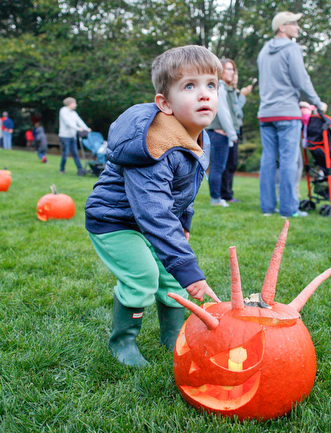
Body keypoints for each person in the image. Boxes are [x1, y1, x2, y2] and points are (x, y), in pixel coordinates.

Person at [84, 45, 221, 367]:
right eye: (190, 86)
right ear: (165, 103)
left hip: (151, 219)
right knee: (144, 276)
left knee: (171, 278)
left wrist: (184, 223)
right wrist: (190, 269)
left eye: (211, 85)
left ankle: (173, 337)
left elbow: (184, 189)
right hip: (115, 221)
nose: (204, 95)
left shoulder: (202, 138)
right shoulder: (154, 147)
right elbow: (153, 210)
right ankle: (123, 342)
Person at [257, 11, 327, 218]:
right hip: (287, 113)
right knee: (289, 160)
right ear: (282, 27)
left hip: (266, 113)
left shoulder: (263, 51)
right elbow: (301, 80)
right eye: (293, 23)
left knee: (268, 159)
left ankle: (267, 208)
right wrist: (317, 102)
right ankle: (288, 209)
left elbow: (275, 83)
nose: (297, 27)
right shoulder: (292, 48)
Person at [205, 58, 239, 207]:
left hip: (217, 133)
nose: (233, 72)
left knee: (217, 166)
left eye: (233, 69)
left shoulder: (222, 88)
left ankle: (217, 198)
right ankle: (216, 199)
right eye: (229, 69)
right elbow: (224, 113)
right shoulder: (221, 88)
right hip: (220, 133)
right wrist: (232, 134)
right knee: (218, 167)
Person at [220, 70, 253, 204]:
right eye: (230, 71)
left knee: (231, 163)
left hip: (233, 130)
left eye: (236, 73)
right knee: (226, 164)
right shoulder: (224, 90)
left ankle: (226, 193)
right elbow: (236, 112)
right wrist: (243, 96)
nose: (235, 76)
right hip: (227, 131)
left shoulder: (232, 91)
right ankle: (224, 194)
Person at [58, 97, 91, 175]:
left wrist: (86, 128)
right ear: (70, 104)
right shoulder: (63, 111)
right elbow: (68, 122)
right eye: (74, 103)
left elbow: (79, 121)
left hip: (72, 136)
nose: (75, 105)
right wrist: (78, 128)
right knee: (65, 153)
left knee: (75, 153)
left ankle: (80, 169)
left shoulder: (73, 113)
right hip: (64, 136)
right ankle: (62, 169)